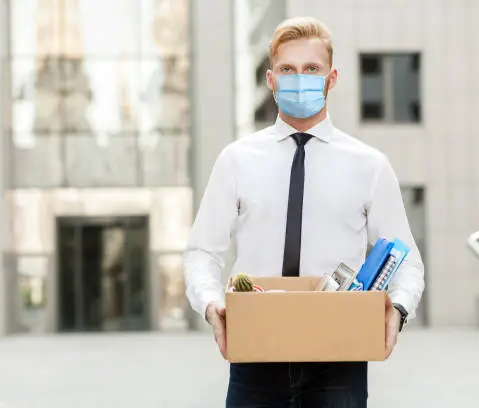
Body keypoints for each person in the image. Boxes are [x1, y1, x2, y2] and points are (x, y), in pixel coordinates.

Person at [184, 16, 425, 408]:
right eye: (288, 70)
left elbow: (408, 260)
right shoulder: (236, 161)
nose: (300, 79)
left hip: (339, 358)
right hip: (255, 354)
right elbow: (201, 252)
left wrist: (397, 311)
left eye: (311, 69)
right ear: (270, 80)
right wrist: (213, 306)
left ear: (331, 78)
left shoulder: (370, 165)